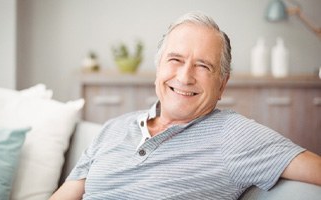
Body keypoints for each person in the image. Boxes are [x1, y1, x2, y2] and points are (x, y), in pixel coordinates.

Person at [50, 11, 321, 200]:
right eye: (175, 60)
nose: (184, 76)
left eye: (203, 65)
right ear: (158, 68)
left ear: (222, 85)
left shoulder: (234, 135)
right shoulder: (114, 128)